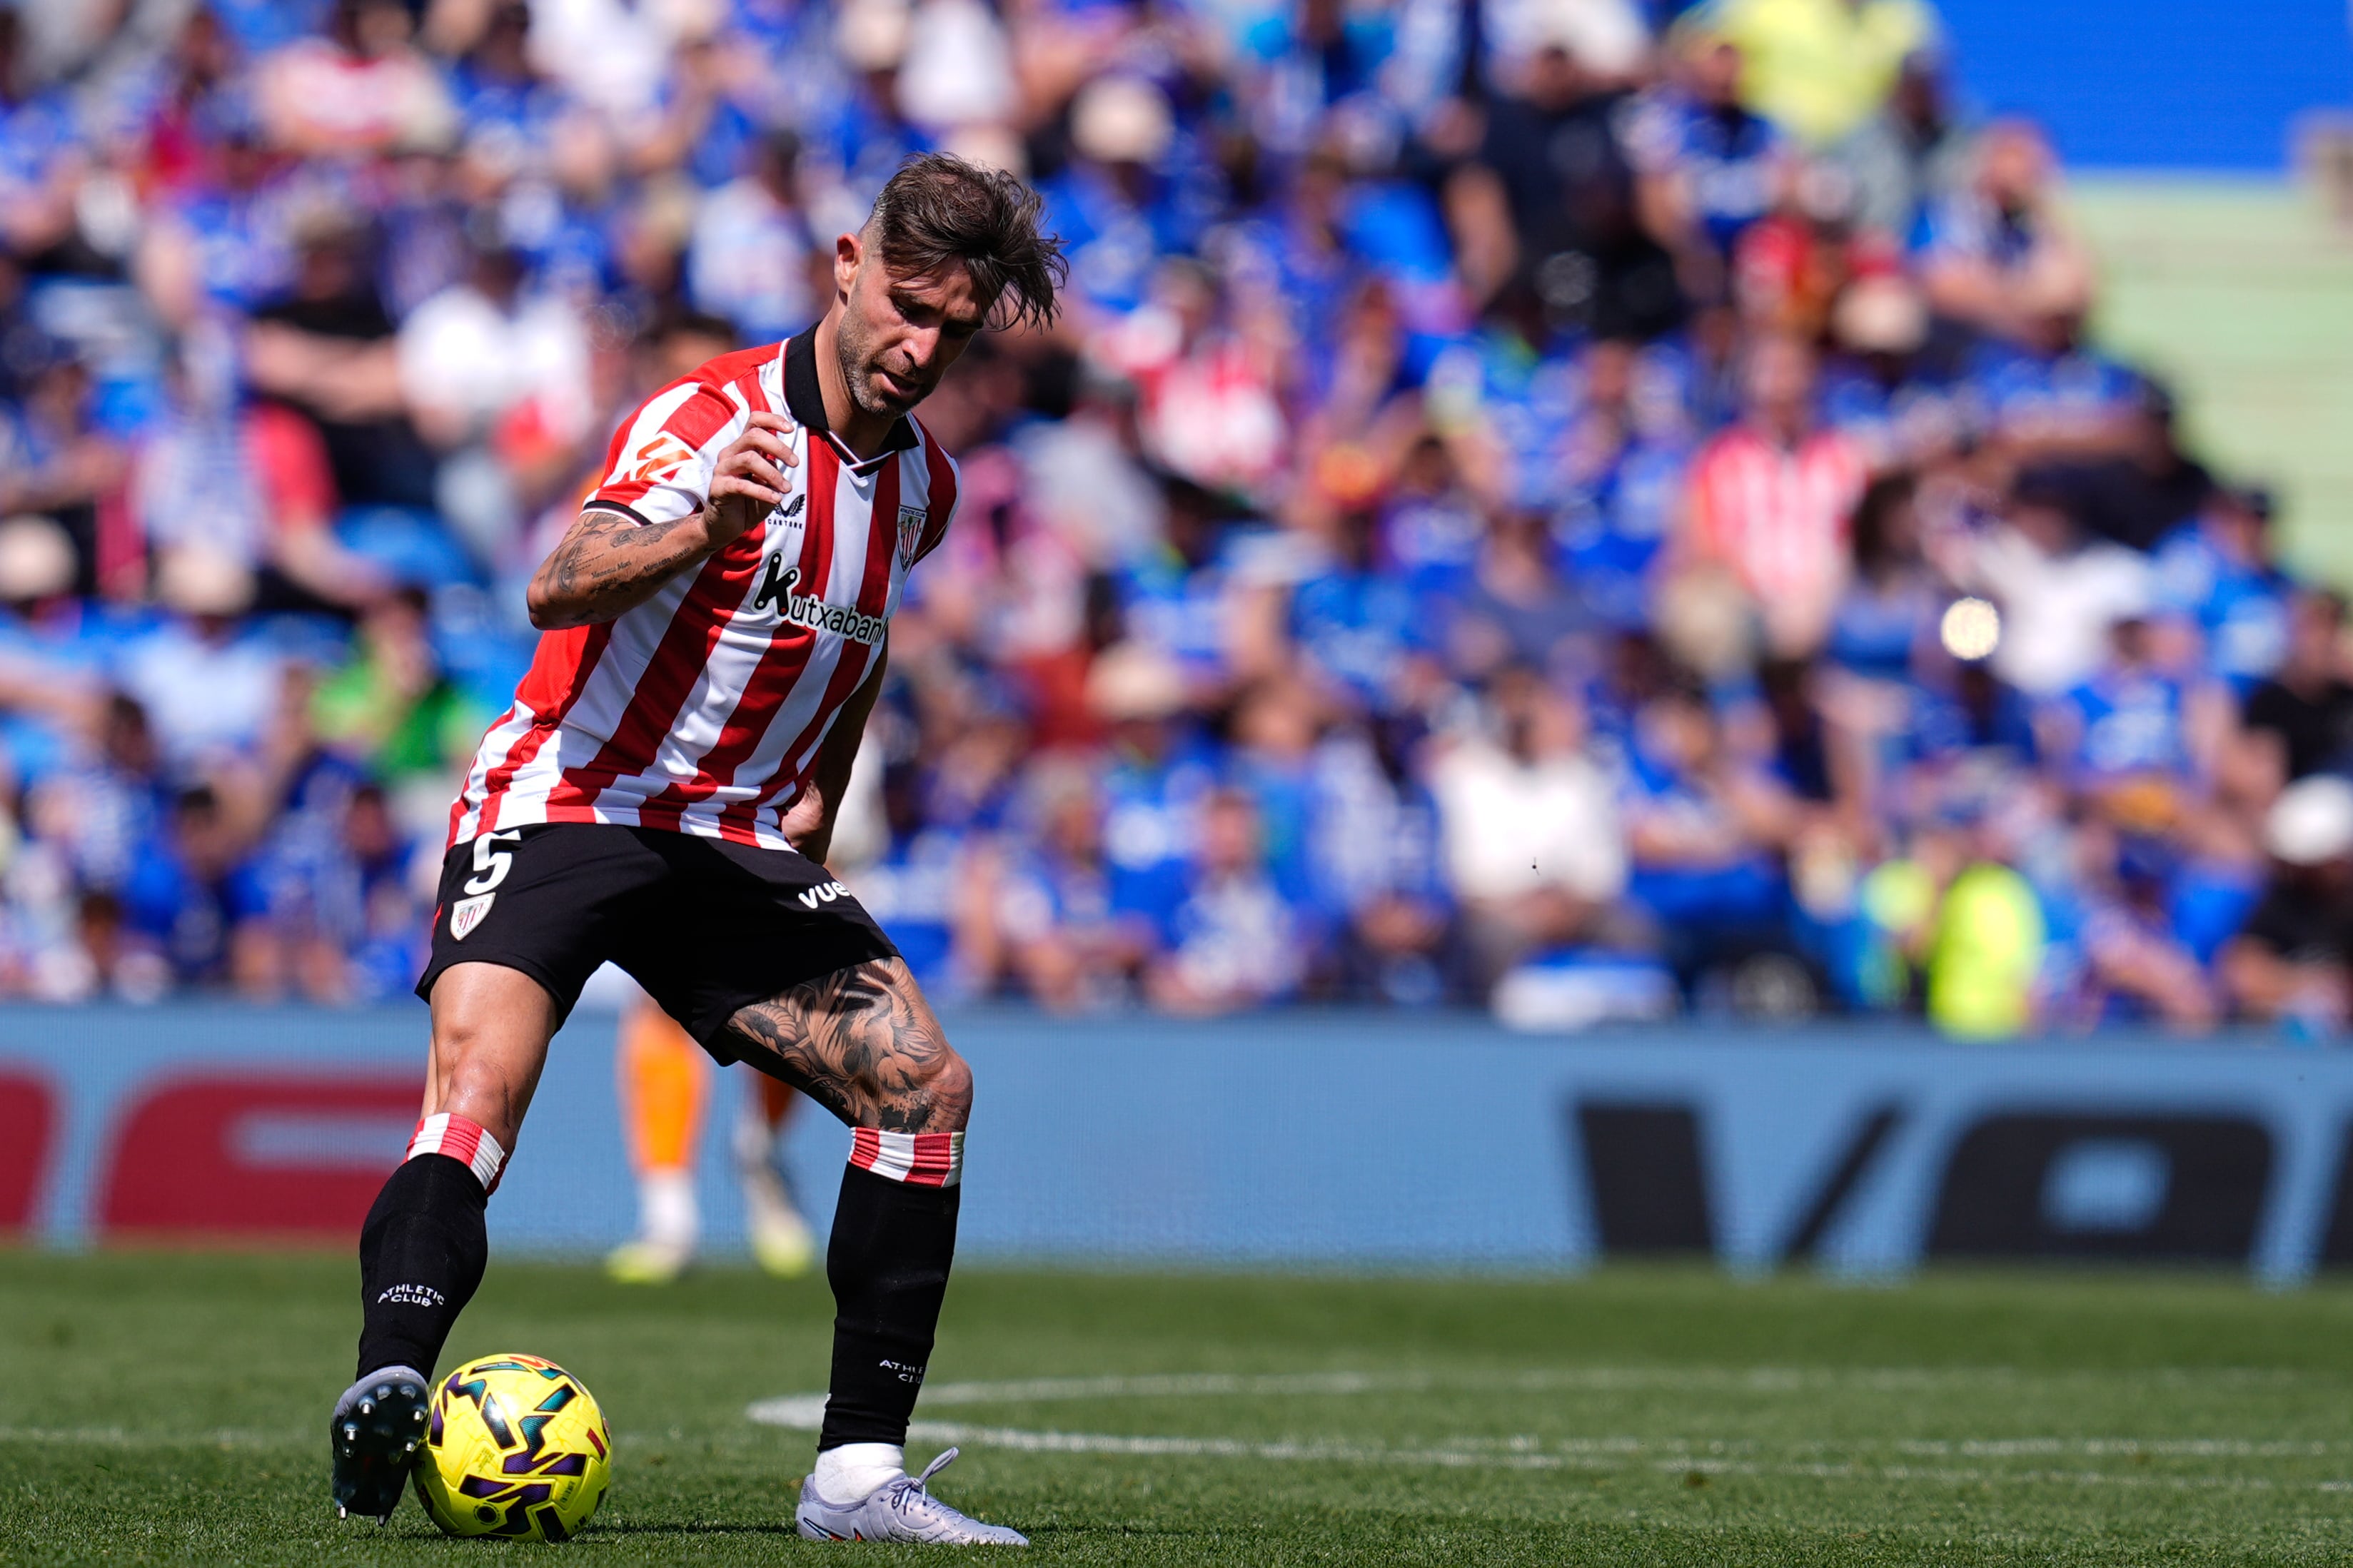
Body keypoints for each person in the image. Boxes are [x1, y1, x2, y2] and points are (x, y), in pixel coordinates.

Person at [327, 153, 1061, 1548]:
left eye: (951, 330)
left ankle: (853, 1478)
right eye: (903, 305)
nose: (919, 347)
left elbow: (862, 641)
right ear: (846, 263)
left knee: (923, 1087)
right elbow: (556, 583)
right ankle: (390, 1380)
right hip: (570, 796)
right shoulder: (706, 418)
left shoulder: (920, 488)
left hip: (729, 839)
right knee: (481, 1081)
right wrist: (703, 526)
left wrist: (821, 812)